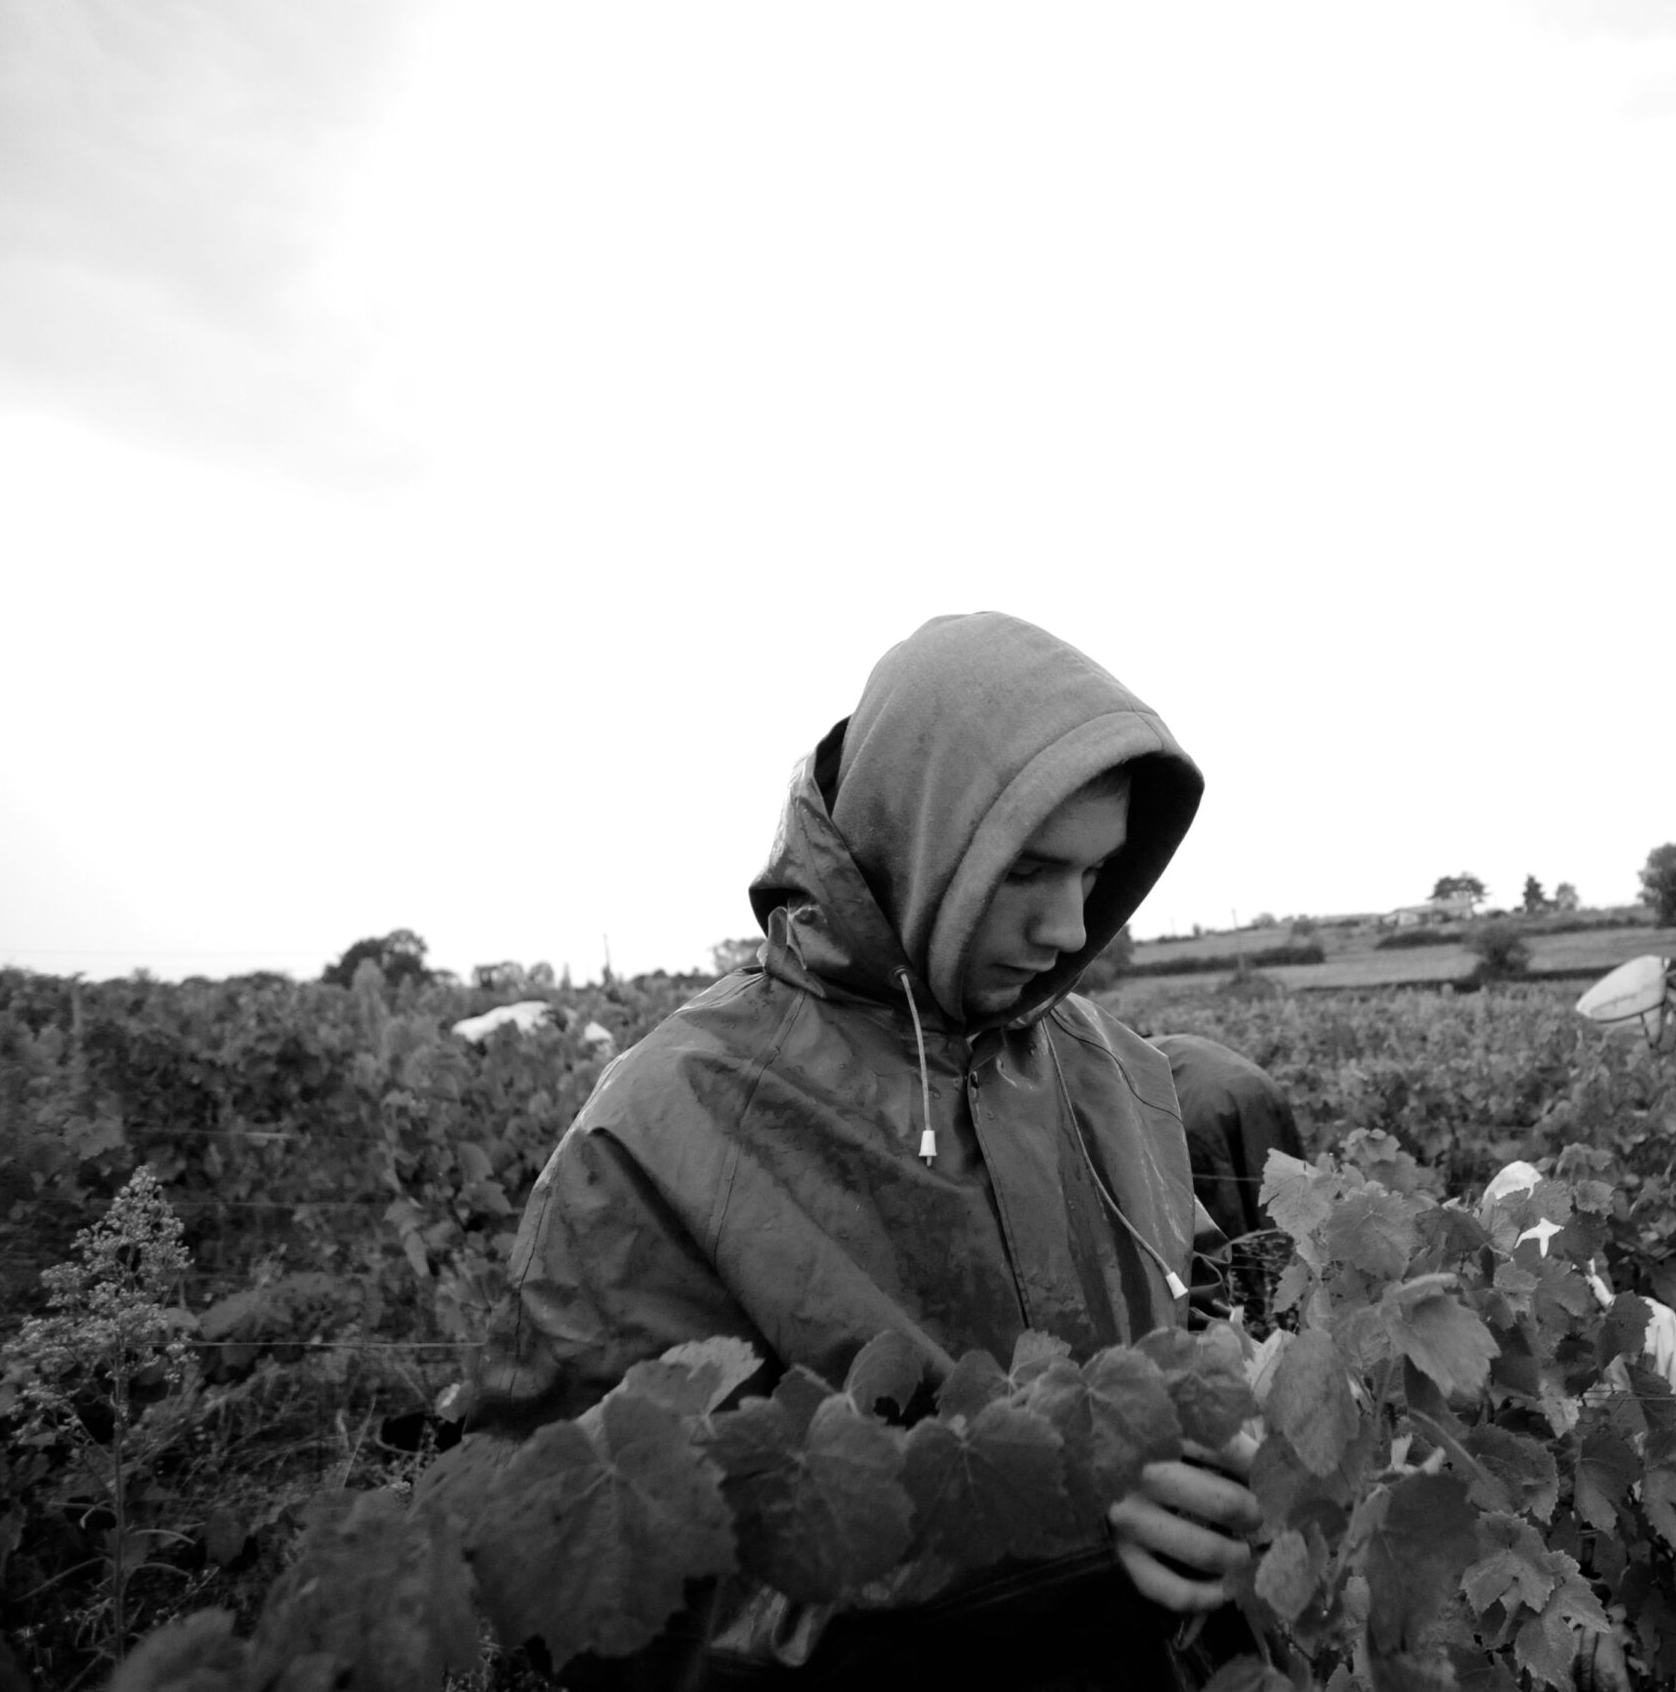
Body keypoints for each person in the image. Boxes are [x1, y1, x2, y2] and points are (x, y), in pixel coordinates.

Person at [474, 613, 1260, 1690]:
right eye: (1028, 870)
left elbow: (1197, 1315)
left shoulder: (1110, 1066)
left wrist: (1238, 1434)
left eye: (1093, 873)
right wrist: (1037, 1543)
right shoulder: (666, 1117)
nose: (1070, 928)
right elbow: (601, 1577)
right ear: (918, 837)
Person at [1479, 1162, 1676, 1503]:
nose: (1545, 1315)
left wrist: (1655, 1492)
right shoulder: (1478, 1361)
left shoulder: (1651, 1332)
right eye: (1525, 1296)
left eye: (1558, 1283)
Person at [1148, 1033, 1306, 1240]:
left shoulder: (1121, 1056)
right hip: (1262, 1086)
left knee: (1221, 1198)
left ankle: (1240, 1254)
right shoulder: (1168, 1043)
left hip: (1203, 1105)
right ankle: (1286, 1249)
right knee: (1271, 1173)